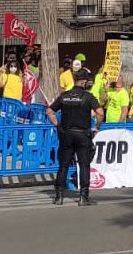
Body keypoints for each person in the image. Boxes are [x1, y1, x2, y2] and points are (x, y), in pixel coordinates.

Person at [46, 69, 104, 206]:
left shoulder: (64, 96)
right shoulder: (88, 96)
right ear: (84, 81)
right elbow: (100, 113)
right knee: (84, 165)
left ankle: (58, 197)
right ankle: (83, 197)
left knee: (63, 165)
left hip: (66, 134)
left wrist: (58, 125)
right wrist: (96, 127)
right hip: (83, 134)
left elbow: (49, 111)